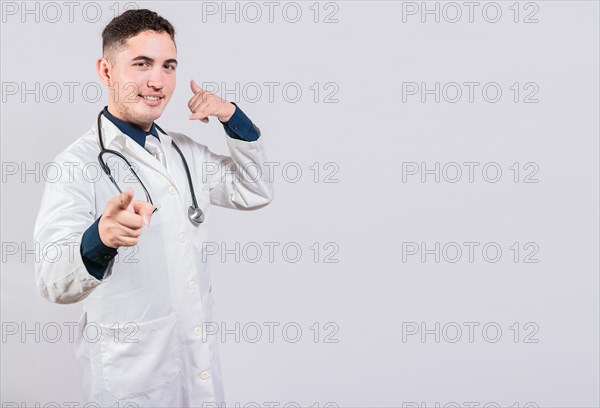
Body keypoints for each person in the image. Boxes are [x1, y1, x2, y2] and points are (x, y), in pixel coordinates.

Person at [33, 9, 273, 406]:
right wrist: (101, 239)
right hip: (129, 379)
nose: (157, 81)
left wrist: (231, 116)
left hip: (197, 368)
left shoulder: (184, 151)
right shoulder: (75, 164)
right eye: (141, 64)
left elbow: (255, 189)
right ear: (106, 71)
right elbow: (51, 280)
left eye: (168, 66)